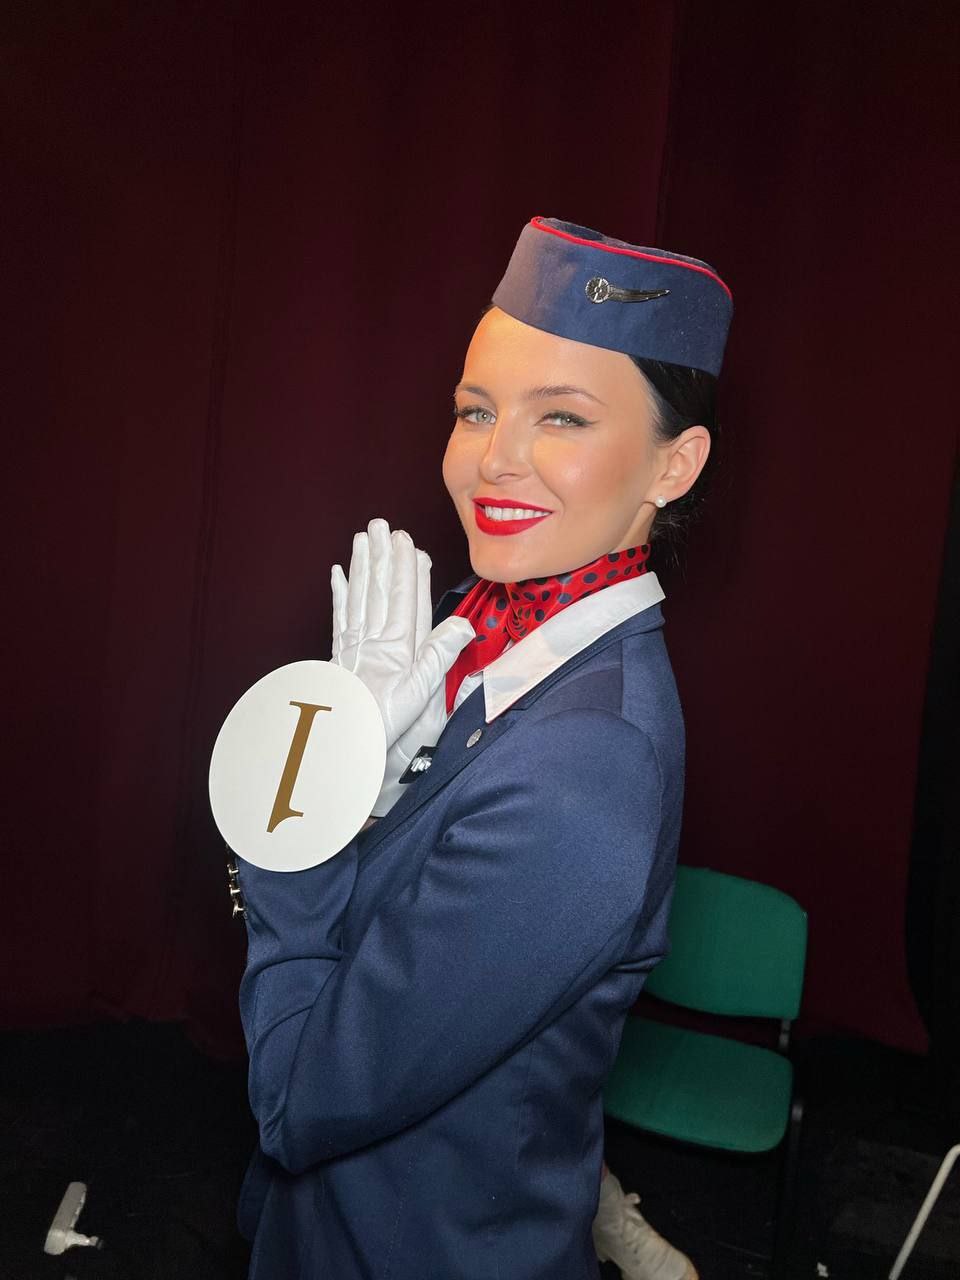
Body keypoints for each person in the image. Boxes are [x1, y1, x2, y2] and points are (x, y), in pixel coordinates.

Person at [231, 216, 732, 1279]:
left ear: (675, 464)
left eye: (563, 416)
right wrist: (368, 785)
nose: (492, 460)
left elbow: (298, 1099)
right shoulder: (477, 624)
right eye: (475, 409)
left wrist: (297, 824)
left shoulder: (586, 773)